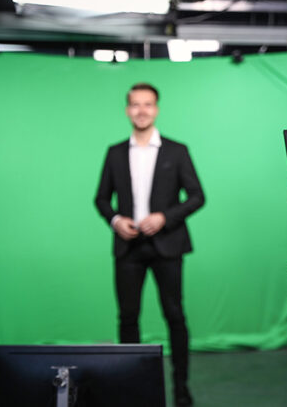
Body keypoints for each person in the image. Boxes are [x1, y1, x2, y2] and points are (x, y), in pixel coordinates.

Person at [95, 83, 204, 407]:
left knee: (175, 315)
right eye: (135, 104)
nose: (141, 110)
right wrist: (116, 220)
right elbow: (101, 199)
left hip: (167, 245)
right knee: (128, 318)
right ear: (127, 109)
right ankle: (131, 388)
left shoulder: (176, 150)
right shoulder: (115, 152)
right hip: (128, 247)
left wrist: (165, 218)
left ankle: (181, 388)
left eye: (148, 104)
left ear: (156, 109)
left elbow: (197, 196)